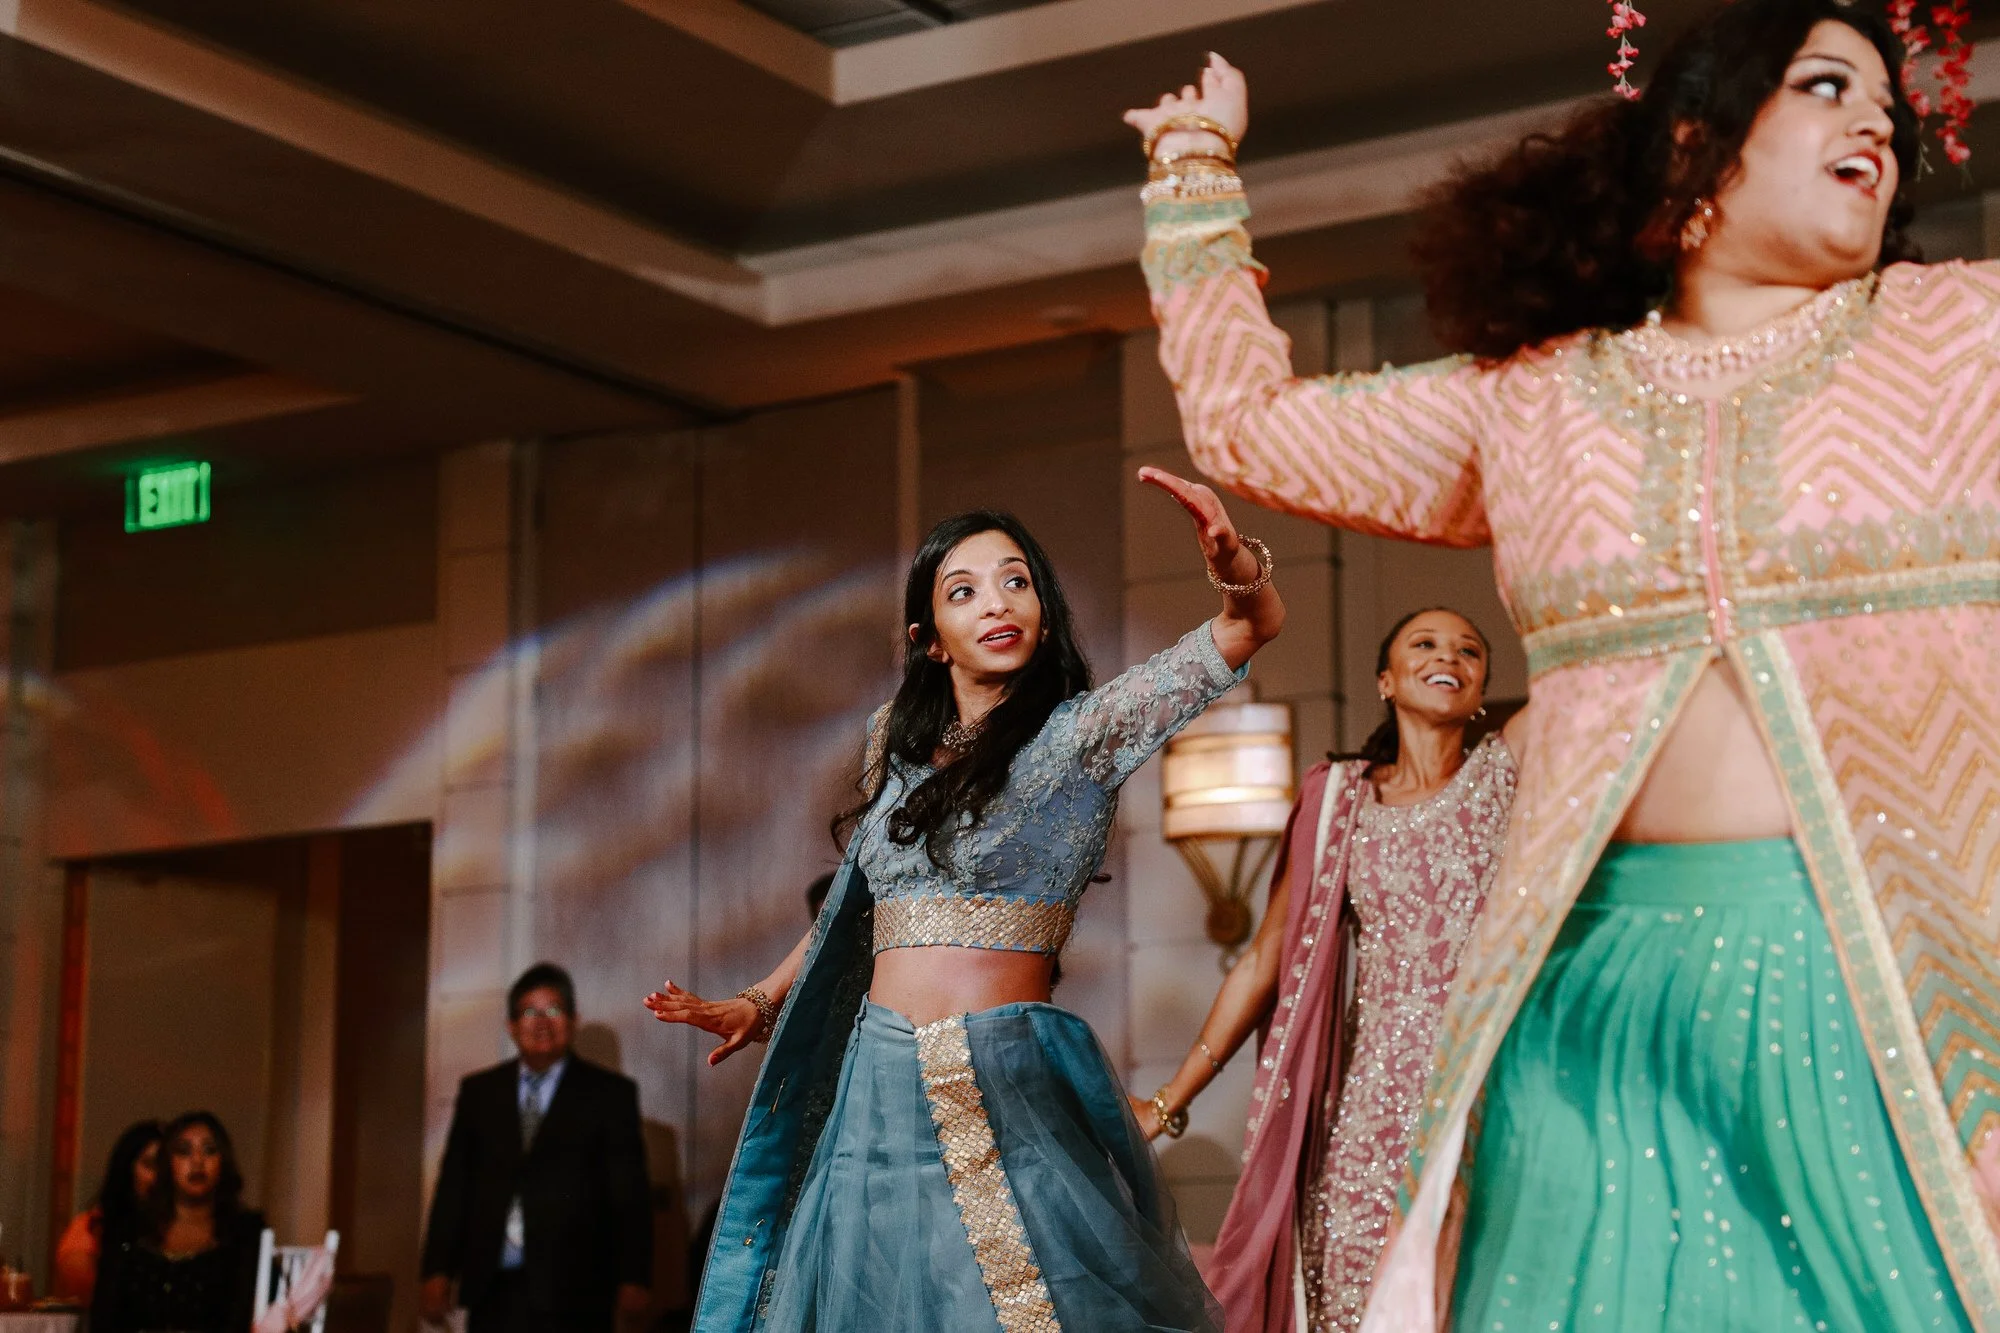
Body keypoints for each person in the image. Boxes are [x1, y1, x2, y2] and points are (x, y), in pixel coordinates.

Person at [1128, 3, 2000, 1328]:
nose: (1875, 121)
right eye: (1827, 85)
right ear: (1693, 143)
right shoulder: (1537, 397)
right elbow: (1250, 426)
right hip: (1586, 988)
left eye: (1887, 105)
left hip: (1881, 985)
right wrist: (1193, 170)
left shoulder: (1959, 338)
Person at [646, 467, 1284, 1331]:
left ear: (1043, 613)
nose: (997, 603)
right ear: (931, 639)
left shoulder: (1083, 734)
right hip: (877, 1082)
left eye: (1017, 582)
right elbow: (862, 897)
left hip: (1003, 1073)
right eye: (965, 590)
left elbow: (1250, 626)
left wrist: (1232, 560)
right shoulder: (892, 742)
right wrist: (761, 999)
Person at [1141, 609, 1520, 1331]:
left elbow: (1582, 681)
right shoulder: (1343, 801)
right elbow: (1263, 960)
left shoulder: (1507, 771)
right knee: (1353, 1298)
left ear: (1479, 693)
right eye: (1425, 643)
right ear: (1386, 681)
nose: (1449, 656)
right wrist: (1167, 1101)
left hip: (1487, 1088)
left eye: (1470, 651)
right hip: (1369, 1115)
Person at [420, 963, 652, 1333]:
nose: (542, 1022)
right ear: (511, 1025)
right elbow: (454, 1187)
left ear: (573, 1021)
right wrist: (437, 1270)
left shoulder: (610, 1095)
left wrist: (635, 1277)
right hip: (492, 1289)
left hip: (578, 1292)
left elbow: (630, 1193)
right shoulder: (480, 1093)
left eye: (553, 1010)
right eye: (529, 1012)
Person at [92, 1112, 265, 1333]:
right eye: (184, 1151)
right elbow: (105, 1317)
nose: (197, 1162)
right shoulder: (130, 1233)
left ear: (223, 1161)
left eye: (210, 1150)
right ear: (167, 1162)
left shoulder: (245, 1235)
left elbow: (244, 1315)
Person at [52, 1119, 160, 1305]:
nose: (160, 1176)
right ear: (126, 1169)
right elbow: (90, 1292)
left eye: (167, 1166)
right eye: (150, 1165)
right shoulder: (90, 1228)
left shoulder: (186, 1228)